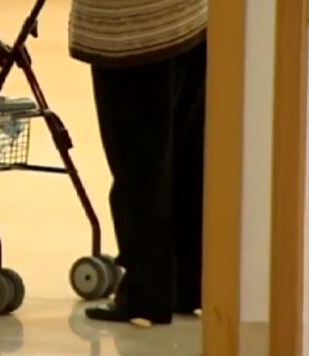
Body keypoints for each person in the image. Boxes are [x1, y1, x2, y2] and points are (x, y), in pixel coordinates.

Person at [68, 0, 207, 324]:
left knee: (139, 166)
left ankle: (146, 293)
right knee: (186, 159)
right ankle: (188, 284)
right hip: (189, 17)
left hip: (133, 29)